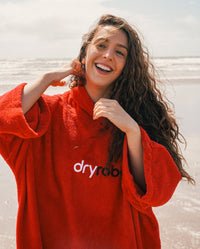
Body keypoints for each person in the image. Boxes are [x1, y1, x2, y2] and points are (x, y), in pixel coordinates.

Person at [0, 14, 194, 249]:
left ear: (127, 67)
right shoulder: (47, 114)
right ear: (84, 54)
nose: (108, 55)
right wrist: (45, 79)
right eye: (101, 45)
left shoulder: (136, 122)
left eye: (120, 52)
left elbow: (157, 193)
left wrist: (132, 131)